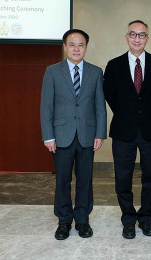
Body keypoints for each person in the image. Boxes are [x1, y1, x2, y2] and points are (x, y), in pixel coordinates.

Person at [40, 29, 107, 240]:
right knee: (63, 180)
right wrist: (48, 136)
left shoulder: (96, 72)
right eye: (72, 45)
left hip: (88, 135)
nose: (76, 49)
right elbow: (46, 106)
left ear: (86, 47)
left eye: (81, 45)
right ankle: (64, 221)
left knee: (85, 180)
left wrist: (100, 133)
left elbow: (100, 107)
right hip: (61, 136)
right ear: (65, 47)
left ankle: (83, 220)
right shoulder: (52, 71)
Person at [103, 20, 151, 239]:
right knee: (123, 178)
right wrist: (127, 113)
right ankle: (128, 219)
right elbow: (109, 95)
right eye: (133, 34)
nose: (137, 39)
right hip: (123, 131)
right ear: (127, 37)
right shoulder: (114, 65)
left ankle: (145, 218)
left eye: (142, 35)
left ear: (148, 38)